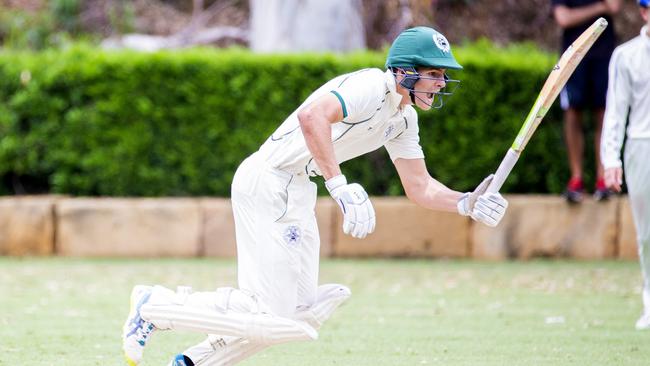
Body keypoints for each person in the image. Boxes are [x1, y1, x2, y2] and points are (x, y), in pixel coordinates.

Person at [121, 26, 509, 366]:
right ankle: (155, 305)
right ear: (404, 71)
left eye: (443, 75)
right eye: (433, 74)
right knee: (271, 313)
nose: (441, 83)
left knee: (299, 314)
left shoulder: (403, 119)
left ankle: (194, 361)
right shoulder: (371, 86)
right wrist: (338, 184)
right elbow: (312, 117)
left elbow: (420, 186)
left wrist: (466, 202)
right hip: (269, 179)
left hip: (296, 188)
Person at [601, 0, 650, 330]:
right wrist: (611, 159)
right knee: (647, 233)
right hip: (641, 146)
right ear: (644, 12)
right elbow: (616, 110)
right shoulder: (626, 56)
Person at [551, 0, 621, 203]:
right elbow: (564, 18)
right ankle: (576, 179)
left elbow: (615, 6)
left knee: (603, 113)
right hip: (573, 56)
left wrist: (586, 12)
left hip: (604, 55)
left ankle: (602, 178)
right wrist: (600, 8)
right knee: (573, 112)